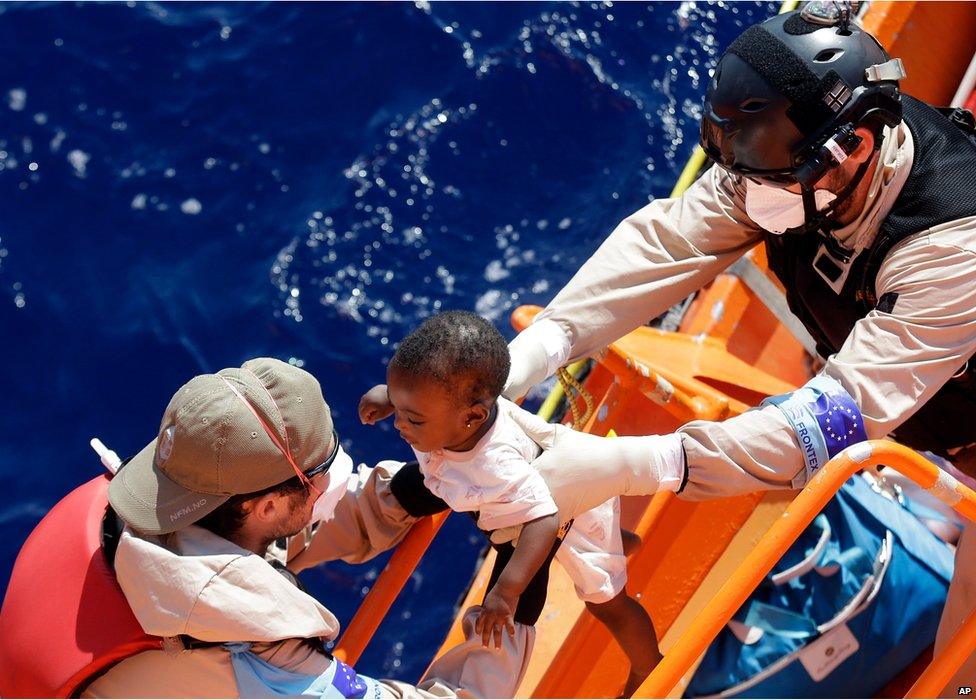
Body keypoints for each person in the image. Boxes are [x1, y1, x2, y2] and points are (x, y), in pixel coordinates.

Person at [500, 6, 976, 696]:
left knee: (960, 673)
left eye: (773, 182)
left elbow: (830, 424)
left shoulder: (952, 245)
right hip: (931, 409)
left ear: (858, 148)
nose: (750, 197)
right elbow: (666, 243)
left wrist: (625, 465)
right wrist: (532, 354)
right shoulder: (779, 164)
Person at [81, 357, 522, 698]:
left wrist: (408, 491)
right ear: (268, 504)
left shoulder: (145, 513)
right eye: (322, 472)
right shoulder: (262, 660)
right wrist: (518, 601)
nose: (330, 483)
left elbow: (285, 528)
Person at [358, 311, 662, 697]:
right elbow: (422, 398)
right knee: (586, 539)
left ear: (473, 417)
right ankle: (619, 541)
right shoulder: (457, 417)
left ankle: (648, 665)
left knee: (606, 602)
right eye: (399, 408)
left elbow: (545, 522)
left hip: (566, 512)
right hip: (525, 505)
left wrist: (505, 592)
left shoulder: (497, 464)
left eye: (412, 418)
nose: (400, 425)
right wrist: (390, 398)